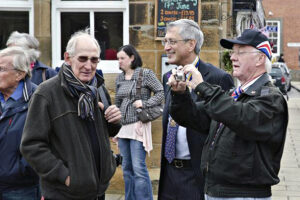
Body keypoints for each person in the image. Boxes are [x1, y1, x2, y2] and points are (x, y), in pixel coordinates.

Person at [168, 29, 288, 200]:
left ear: (260, 58)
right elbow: (194, 117)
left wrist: (203, 87)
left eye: (240, 52)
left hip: (243, 194)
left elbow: (243, 118)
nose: (232, 57)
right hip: (216, 190)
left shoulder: (271, 97)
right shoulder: (235, 94)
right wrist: (180, 94)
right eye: (232, 52)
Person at [20, 30, 122, 200]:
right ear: (68, 58)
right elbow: (31, 145)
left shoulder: (98, 88)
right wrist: (65, 177)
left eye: (94, 60)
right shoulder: (46, 93)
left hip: (98, 190)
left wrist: (114, 120)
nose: (88, 66)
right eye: (82, 58)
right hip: (64, 193)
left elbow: (107, 132)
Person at [158, 19, 234, 200]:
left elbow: (222, 128)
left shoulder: (218, 78)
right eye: (165, 41)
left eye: (172, 41)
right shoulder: (168, 77)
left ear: (191, 44)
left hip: (197, 175)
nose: (166, 47)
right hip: (168, 174)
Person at [114, 44, 164, 200]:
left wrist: (145, 103)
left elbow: (161, 92)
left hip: (138, 126)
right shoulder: (119, 78)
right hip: (123, 128)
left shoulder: (145, 74)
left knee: (139, 168)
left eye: (122, 58)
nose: (119, 62)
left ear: (132, 58)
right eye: (118, 59)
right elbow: (117, 102)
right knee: (127, 168)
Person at [0, 46, 40, 200]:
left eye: (1, 69)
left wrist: (20, 171)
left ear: (20, 74)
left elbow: (43, 143)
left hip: (21, 188)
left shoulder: (38, 99)